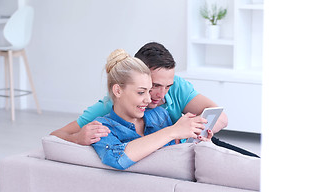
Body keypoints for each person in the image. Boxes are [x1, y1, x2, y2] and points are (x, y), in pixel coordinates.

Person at [51, 42, 259, 158]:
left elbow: (220, 116)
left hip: (196, 146)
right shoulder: (109, 107)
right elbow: (56, 136)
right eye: (154, 87)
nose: (162, 95)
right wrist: (77, 139)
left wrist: (194, 134)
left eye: (168, 86)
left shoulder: (175, 87)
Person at [90, 49, 210, 170]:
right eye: (141, 92)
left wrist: (198, 143)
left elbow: (177, 155)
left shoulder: (159, 115)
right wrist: (172, 131)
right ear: (118, 91)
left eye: (149, 91)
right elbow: (118, 158)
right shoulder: (101, 127)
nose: (148, 99)